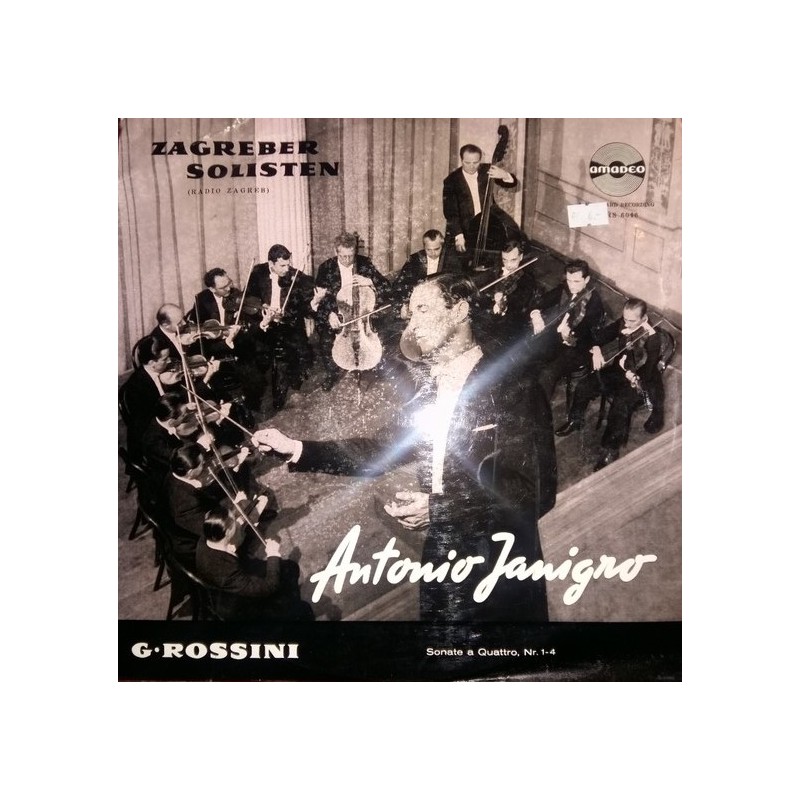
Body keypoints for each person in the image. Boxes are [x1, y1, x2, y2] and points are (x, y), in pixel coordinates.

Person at [253, 273, 556, 623]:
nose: (411, 325)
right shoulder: (429, 393)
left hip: (499, 563)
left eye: (423, 309)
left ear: (459, 311)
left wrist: (440, 508)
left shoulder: (514, 386)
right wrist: (295, 448)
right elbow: (377, 449)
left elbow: (534, 492)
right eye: (410, 314)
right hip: (443, 554)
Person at [554, 299, 666, 471]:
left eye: (632, 321)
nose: (626, 324)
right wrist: (596, 350)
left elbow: (648, 370)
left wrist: (631, 374)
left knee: (619, 407)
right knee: (585, 385)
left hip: (639, 379)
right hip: (618, 371)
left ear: (644, 318)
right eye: (625, 319)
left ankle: (610, 449)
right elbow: (599, 336)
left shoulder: (652, 339)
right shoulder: (623, 322)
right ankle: (576, 420)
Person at [195, 507, 313, 621]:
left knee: (291, 567)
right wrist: (273, 554)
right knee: (302, 608)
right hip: (241, 606)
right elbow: (269, 587)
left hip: (238, 573)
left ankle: (290, 599)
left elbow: (236, 546)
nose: (237, 521)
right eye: (234, 520)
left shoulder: (210, 534)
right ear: (227, 532)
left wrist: (251, 522)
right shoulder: (227, 572)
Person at [312, 232, 392, 391]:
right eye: (343, 256)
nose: (348, 260)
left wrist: (369, 281)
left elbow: (386, 287)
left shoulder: (364, 263)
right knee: (326, 338)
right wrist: (330, 314)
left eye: (351, 256)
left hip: (362, 311)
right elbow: (322, 298)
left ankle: (370, 367)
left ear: (355, 251)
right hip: (337, 311)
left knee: (381, 331)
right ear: (336, 252)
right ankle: (332, 373)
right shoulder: (326, 268)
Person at [246, 244, 315, 409]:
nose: (287, 269)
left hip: (288, 323)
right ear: (271, 263)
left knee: (298, 355)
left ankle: (282, 397)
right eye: (282, 266)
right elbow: (248, 298)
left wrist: (315, 297)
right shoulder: (258, 273)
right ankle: (261, 398)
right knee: (260, 358)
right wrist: (262, 307)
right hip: (266, 323)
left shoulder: (295, 276)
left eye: (288, 264)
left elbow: (304, 302)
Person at [528, 259, 606, 399]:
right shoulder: (564, 288)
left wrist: (569, 336)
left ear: (586, 279)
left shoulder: (594, 302)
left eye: (576, 281)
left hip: (577, 348)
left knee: (548, 373)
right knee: (529, 356)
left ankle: (539, 407)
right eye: (569, 280)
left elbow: (590, 335)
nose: (572, 286)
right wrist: (536, 316)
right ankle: (527, 396)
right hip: (557, 338)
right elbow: (540, 301)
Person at [442, 143, 524, 272]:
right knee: (466, 263)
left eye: (475, 162)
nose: (471, 166)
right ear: (461, 160)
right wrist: (458, 234)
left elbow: (513, 184)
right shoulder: (451, 181)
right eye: (467, 162)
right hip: (466, 228)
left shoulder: (487, 170)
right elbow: (451, 212)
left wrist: (504, 175)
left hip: (489, 221)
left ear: (480, 160)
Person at [480, 239, 544, 349]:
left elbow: (518, 304)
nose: (508, 265)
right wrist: (491, 295)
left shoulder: (527, 279)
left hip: (508, 326)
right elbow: (484, 286)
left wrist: (502, 302)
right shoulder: (498, 270)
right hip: (489, 319)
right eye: (504, 260)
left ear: (521, 257)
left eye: (513, 260)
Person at [120, 335, 173, 461]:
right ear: (151, 363)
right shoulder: (136, 388)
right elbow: (147, 429)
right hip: (152, 443)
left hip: (164, 427)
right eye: (165, 359)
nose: (170, 361)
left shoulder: (160, 373)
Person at [392, 229, 462, 318]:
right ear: (424, 246)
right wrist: (403, 306)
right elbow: (399, 284)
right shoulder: (414, 259)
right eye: (429, 250)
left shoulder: (451, 259)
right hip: (419, 303)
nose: (433, 253)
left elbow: (458, 283)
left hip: (442, 303)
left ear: (442, 246)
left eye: (437, 249)